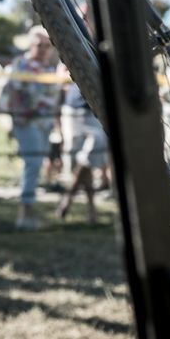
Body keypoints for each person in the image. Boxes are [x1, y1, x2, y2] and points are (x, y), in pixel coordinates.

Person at [0, 26, 59, 230]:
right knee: (33, 164)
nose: (43, 49)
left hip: (45, 123)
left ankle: (28, 210)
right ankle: (24, 214)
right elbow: (13, 92)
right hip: (27, 122)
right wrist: (18, 115)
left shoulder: (50, 68)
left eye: (47, 45)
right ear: (31, 44)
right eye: (39, 45)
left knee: (35, 164)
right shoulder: (21, 64)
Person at [56, 63, 106, 224]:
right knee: (83, 164)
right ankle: (92, 210)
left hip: (96, 112)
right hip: (73, 111)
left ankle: (68, 199)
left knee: (88, 157)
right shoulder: (77, 39)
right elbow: (62, 72)